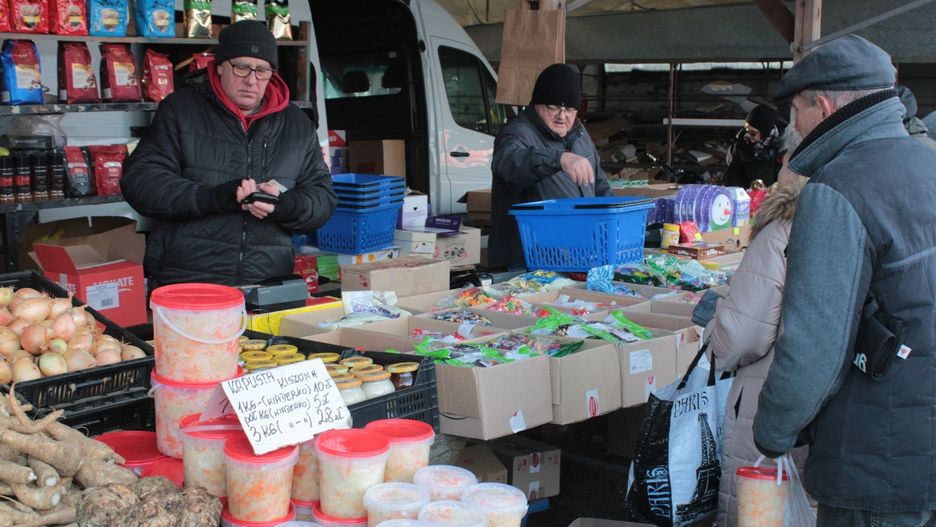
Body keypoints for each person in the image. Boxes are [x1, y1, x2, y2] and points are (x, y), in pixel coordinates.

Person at [752, 34, 936, 526]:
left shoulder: (838, 191)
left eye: (796, 110)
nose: (794, 126)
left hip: (877, 456)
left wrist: (772, 430)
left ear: (825, 105)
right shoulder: (929, 162)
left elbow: (814, 346)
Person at [122, 20, 336, 287]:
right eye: (241, 67)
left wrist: (285, 205)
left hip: (266, 282)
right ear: (220, 65)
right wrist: (214, 197)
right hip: (189, 281)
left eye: (262, 70)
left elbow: (323, 198)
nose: (251, 80)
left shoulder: (296, 124)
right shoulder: (181, 110)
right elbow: (141, 182)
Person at [690, 132, 807, 527]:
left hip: (769, 393)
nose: (781, 164)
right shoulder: (860, 214)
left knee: (759, 506)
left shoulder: (784, 227)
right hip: (826, 406)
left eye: (788, 156)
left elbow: (741, 337)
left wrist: (714, 330)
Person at [488, 63, 613, 270]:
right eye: (552, 107)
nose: (562, 116)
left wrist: (613, 220)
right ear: (537, 104)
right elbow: (507, 163)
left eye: (570, 109)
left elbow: (599, 185)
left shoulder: (579, 134)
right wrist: (559, 158)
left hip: (576, 256)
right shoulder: (517, 133)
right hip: (528, 263)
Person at [722, 104, 782, 189]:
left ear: (765, 133)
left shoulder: (780, 148)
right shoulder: (740, 145)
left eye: (753, 133)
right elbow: (732, 176)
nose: (747, 135)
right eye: (746, 130)